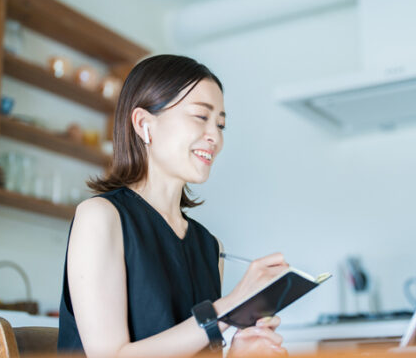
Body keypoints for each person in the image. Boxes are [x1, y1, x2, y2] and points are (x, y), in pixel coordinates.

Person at [57, 55, 290, 357]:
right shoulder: (100, 217)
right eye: (200, 117)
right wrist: (229, 306)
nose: (215, 137)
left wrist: (237, 352)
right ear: (144, 125)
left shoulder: (208, 246)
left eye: (220, 124)